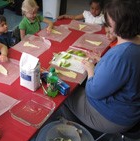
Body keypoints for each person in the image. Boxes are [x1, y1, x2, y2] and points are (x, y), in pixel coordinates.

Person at [59, 0, 140, 133]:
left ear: (116, 25)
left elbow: (93, 91)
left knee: (65, 90)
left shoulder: (121, 54)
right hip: (131, 109)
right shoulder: (135, 44)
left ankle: (74, 132)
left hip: (113, 117)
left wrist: (91, 69)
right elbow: (124, 72)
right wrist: (103, 61)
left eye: (108, 20)